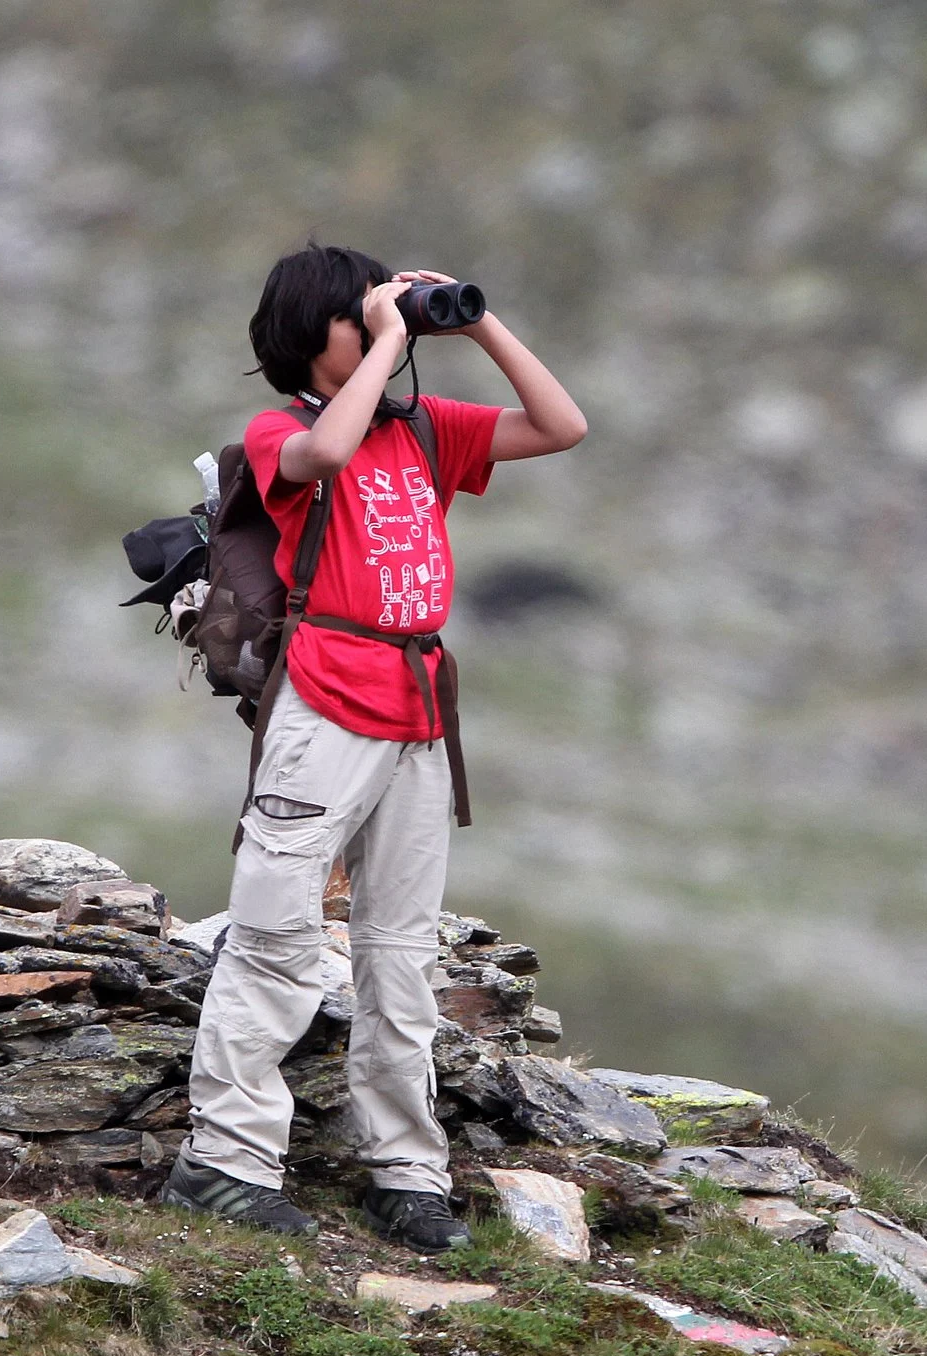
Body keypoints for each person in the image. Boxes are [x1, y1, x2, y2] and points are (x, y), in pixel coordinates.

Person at [160, 243, 588, 1251]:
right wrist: (386, 344)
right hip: (321, 700)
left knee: (398, 951)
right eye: (360, 312)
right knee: (276, 932)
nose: (382, 324)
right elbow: (321, 457)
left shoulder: (424, 429)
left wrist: (474, 321)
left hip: (416, 706)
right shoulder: (281, 431)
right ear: (314, 331)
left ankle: (405, 1171)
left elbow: (562, 425)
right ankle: (225, 1162)